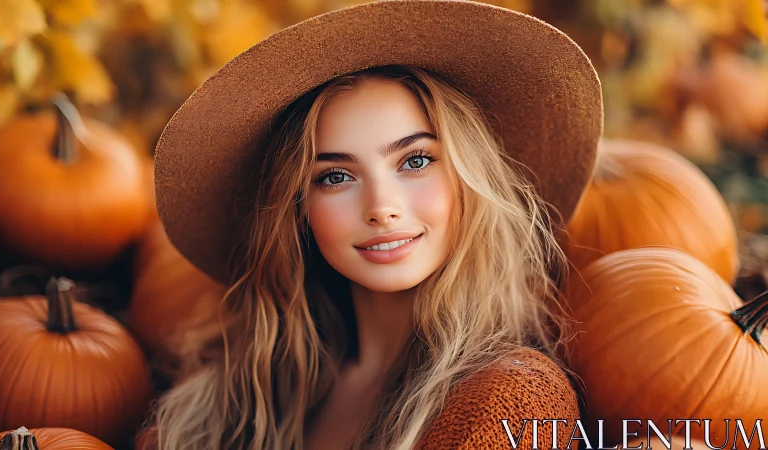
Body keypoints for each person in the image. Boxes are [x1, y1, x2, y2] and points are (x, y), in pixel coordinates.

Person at [146, 1, 603, 449]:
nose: (382, 208)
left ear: (470, 179)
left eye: (416, 160)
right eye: (336, 176)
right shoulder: (238, 392)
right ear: (297, 209)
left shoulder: (509, 397)